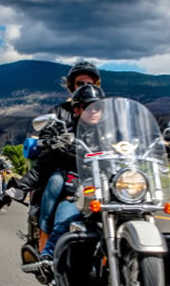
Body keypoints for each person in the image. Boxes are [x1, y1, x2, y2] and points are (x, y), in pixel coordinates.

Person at [12, 62, 105, 252]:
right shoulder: (59, 111)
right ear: (72, 87)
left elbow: (122, 135)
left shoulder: (104, 112)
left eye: (91, 83)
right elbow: (46, 136)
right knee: (55, 180)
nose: (86, 87)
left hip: (96, 169)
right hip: (65, 165)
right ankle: (45, 240)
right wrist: (51, 138)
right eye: (80, 84)